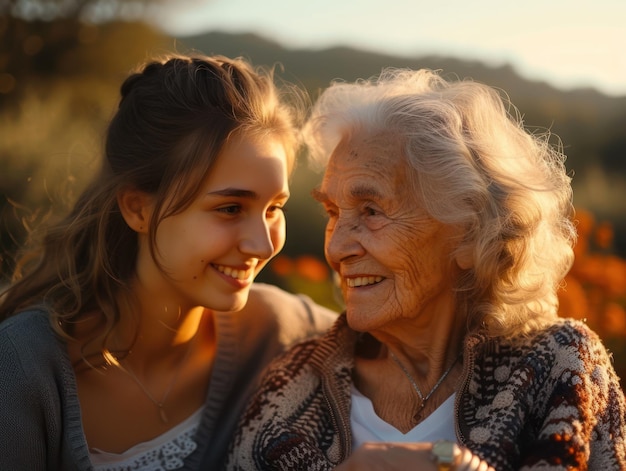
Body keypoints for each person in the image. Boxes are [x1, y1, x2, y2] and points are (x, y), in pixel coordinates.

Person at [227, 68, 626, 470]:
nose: (336, 247)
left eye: (371, 210)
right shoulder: (290, 387)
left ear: (472, 235)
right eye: (333, 211)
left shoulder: (558, 368)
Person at [0, 53, 337, 470]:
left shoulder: (276, 329)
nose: (262, 244)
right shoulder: (21, 366)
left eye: (273, 209)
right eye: (230, 209)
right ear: (137, 208)